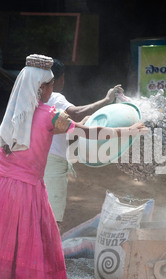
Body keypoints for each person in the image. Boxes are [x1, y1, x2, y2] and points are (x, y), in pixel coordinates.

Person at [0, 54, 147, 279]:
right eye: (49, 84)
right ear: (42, 88)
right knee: (32, 247)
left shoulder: (14, 112)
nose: (52, 88)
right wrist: (128, 130)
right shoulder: (52, 116)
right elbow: (90, 132)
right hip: (25, 191)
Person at [44, 58, 124, 224]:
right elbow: (76, 114)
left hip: (39, 161)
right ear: (58, 79)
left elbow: (68, 126)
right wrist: (106, 100)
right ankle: (47, 249)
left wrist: (84, 122)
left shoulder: (36, 98)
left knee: (41, 212)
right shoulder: (55, 97)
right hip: (52, 164)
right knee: (51, 218)